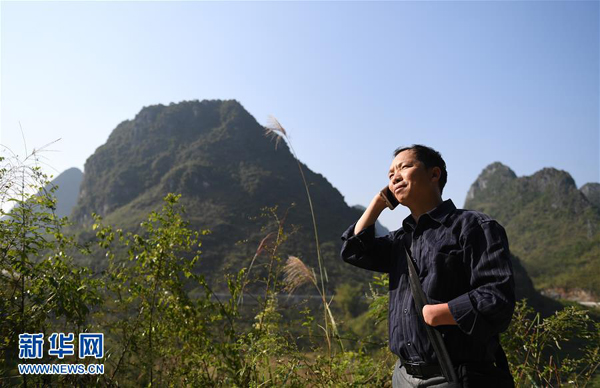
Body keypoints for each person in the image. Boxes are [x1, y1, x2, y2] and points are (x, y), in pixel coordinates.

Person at [340, 145, 515, 387]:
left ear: (434, 174)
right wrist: (378, 204)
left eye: (404, 167)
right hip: (402, 376)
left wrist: (439, 312)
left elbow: (497, 298)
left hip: (454, 376)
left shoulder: (473, 226)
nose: (395, 177)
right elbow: (353, 250)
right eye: (390, 175)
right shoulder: (400, 240)